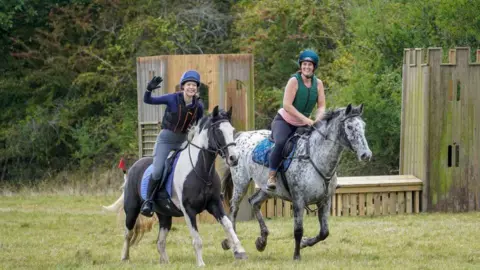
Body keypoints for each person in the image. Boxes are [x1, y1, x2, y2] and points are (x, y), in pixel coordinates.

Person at [140, 70, 204, 217]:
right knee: (158, 170)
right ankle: (148, 202)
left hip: (183, 141)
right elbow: (148, 100)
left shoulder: (198, 106)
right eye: (188, 85)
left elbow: (200, 125)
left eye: (194, 85)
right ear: (183, 86)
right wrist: (149, 89)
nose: (191, 88)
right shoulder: (172, 98)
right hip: (166, 140)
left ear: (197, 88)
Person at [267, 49, 326, 190]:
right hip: (284, 121)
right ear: (301, 66)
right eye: (304, 64)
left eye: (310, 65)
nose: (307, 67)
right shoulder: (294, 81)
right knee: (281, 143)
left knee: (321, 142)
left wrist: (318, 119)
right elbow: (287, 105)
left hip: (304, 123)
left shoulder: (318, 84)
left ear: (314, 67)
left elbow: (322, 105)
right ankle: (272, 176)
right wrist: (307, 120)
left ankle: (326, 179)